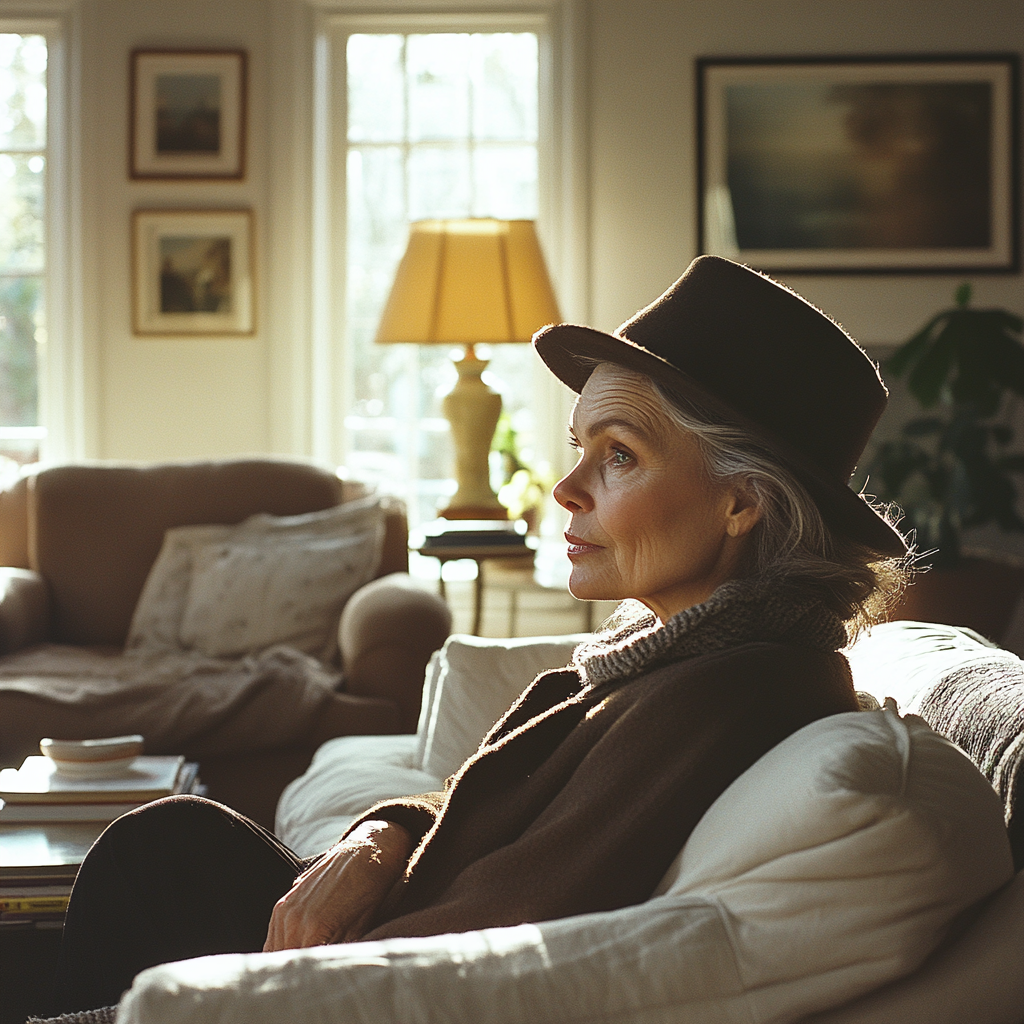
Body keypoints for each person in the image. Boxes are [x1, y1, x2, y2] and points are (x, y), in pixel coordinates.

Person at [53, 255, 909, 1013]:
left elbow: (520, 919)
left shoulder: (734, 690)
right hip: (381, 943)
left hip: (373, 984)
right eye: (580, 448)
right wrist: (381, 835)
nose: (567, 489)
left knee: (158, 857)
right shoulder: (678, 655)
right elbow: (486, 806)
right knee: (168, 846)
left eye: (618, 456)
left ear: (740, 501)